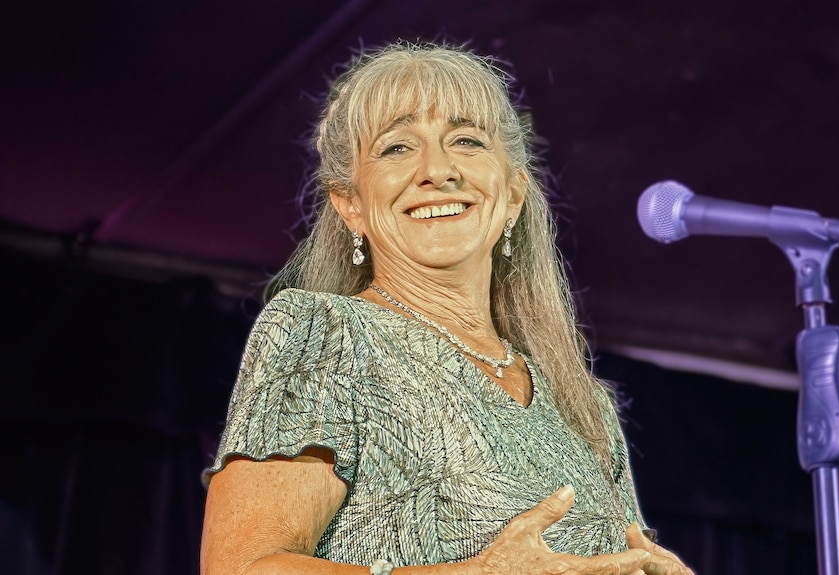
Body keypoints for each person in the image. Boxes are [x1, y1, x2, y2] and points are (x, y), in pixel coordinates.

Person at [200, 41, 693, 575]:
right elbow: (240, 569)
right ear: (350, 205)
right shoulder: (326, 334)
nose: (438, 169)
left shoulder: (584, 405)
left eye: (466, 140)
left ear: (512, 195)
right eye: (396, 148)